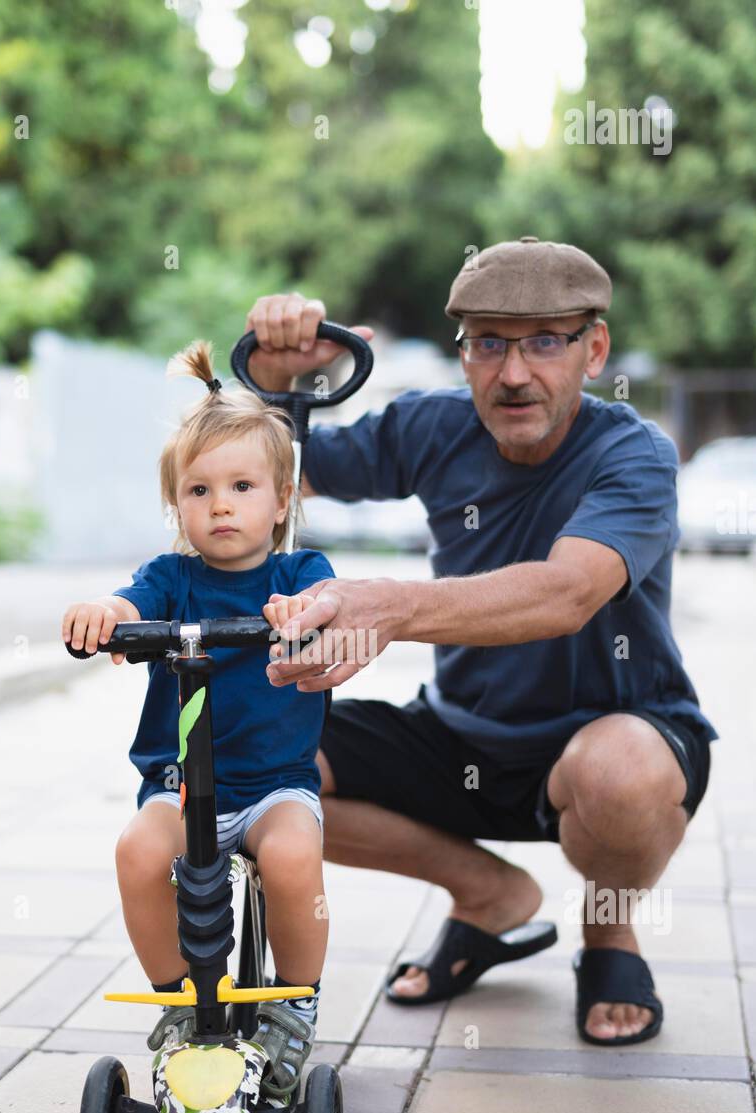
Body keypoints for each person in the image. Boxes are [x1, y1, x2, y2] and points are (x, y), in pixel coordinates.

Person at [243, 237, 718, 1045]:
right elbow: (270, 473)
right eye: (488, 343)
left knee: (619, 771)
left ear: (592, 350)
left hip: (610, 736)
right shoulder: (433, 426)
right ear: (463, 355)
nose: (514, 373)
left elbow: (565, 592)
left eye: (544, 342)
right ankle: (490, 898)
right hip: (458, 734)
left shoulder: (632, 455)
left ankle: (607, 931)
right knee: (253, 762)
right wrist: (275, 376)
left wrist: (388, 608)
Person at [62, 340, 335, 1102]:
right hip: (183, 788)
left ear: (280, 501)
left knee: (290, 861)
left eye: (242, 486)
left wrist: (302, 618)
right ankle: (179, 1001)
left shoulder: (299, 576)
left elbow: (328, 610)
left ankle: (292, 1002)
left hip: (275, 785)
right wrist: (105, 614)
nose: (219, 505)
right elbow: (129, 602)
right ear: (176, 504)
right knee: (137, 853)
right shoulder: (171, 579)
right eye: (198, 489)